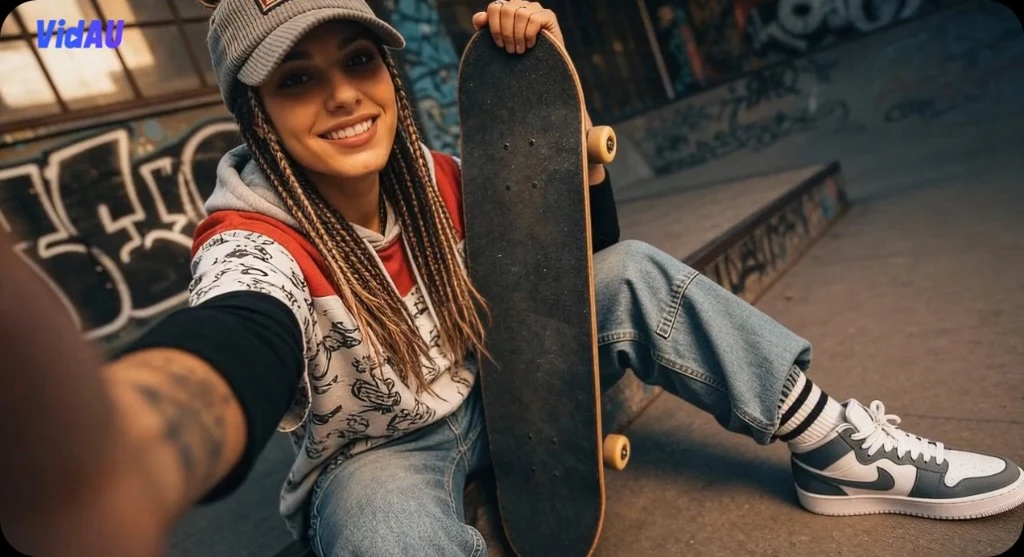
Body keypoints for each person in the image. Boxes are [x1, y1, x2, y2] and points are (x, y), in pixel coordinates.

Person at [1, 0, 1021, 555]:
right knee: (374, 525)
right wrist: (133, 444)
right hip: (379, 453)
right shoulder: (251, 240)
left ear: (389, 72)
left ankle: (830, 446)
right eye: (298, 79)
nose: (344, 96)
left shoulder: (436, 176)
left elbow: (577, 265)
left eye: (358, 61)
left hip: (509, 386)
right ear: (256, 115)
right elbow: (237, 335)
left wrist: (554, 113)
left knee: (625, 272)